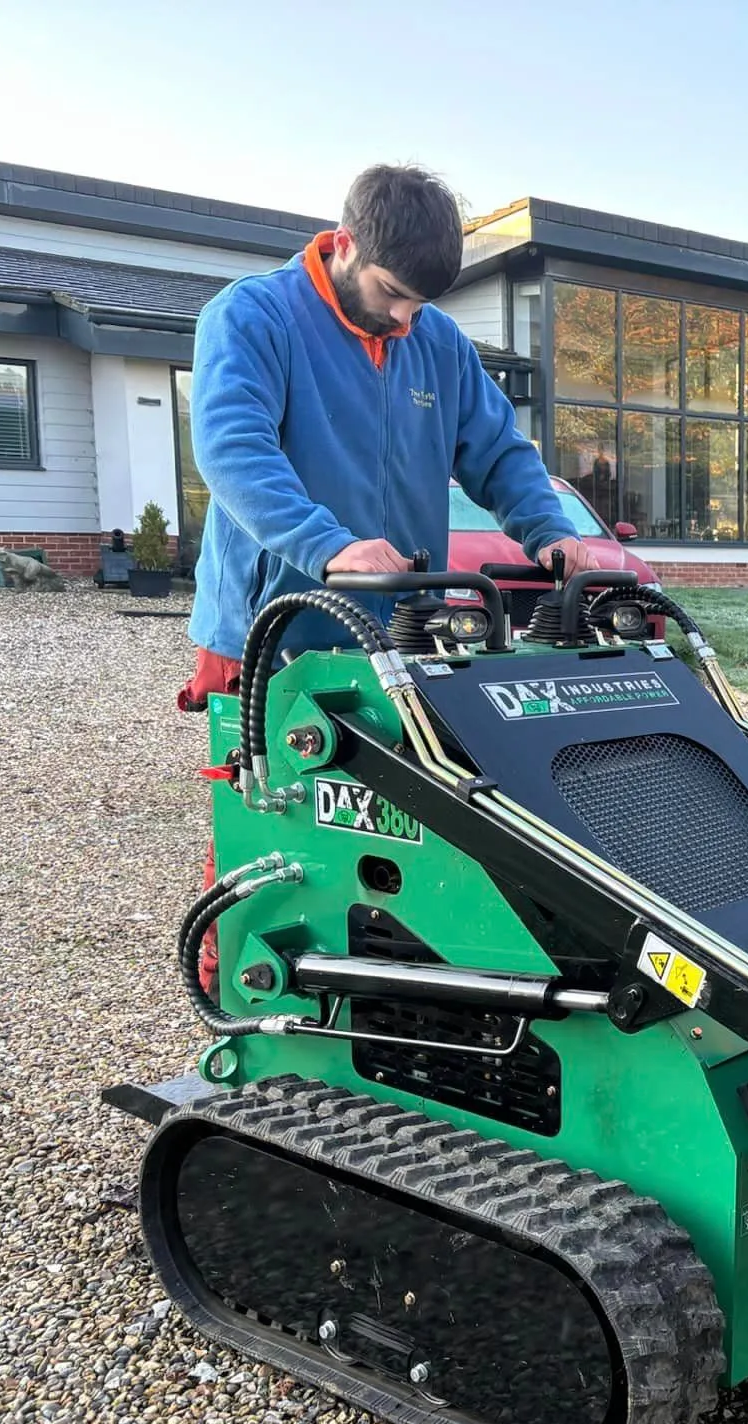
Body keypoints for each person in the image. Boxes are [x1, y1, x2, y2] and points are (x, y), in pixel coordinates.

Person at [178, 162, 593, 987]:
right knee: (276, 816)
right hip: (275, 625)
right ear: (346, 241)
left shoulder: (432, 342)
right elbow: (233, 449)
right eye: (393, 292)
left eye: (421, 303)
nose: (405, 318)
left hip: (398, 623)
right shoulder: (255, 318)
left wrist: (544, 527)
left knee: (400, 816)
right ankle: (243, 985)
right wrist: (325, 544)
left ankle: (395, 984)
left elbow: (497, 449)